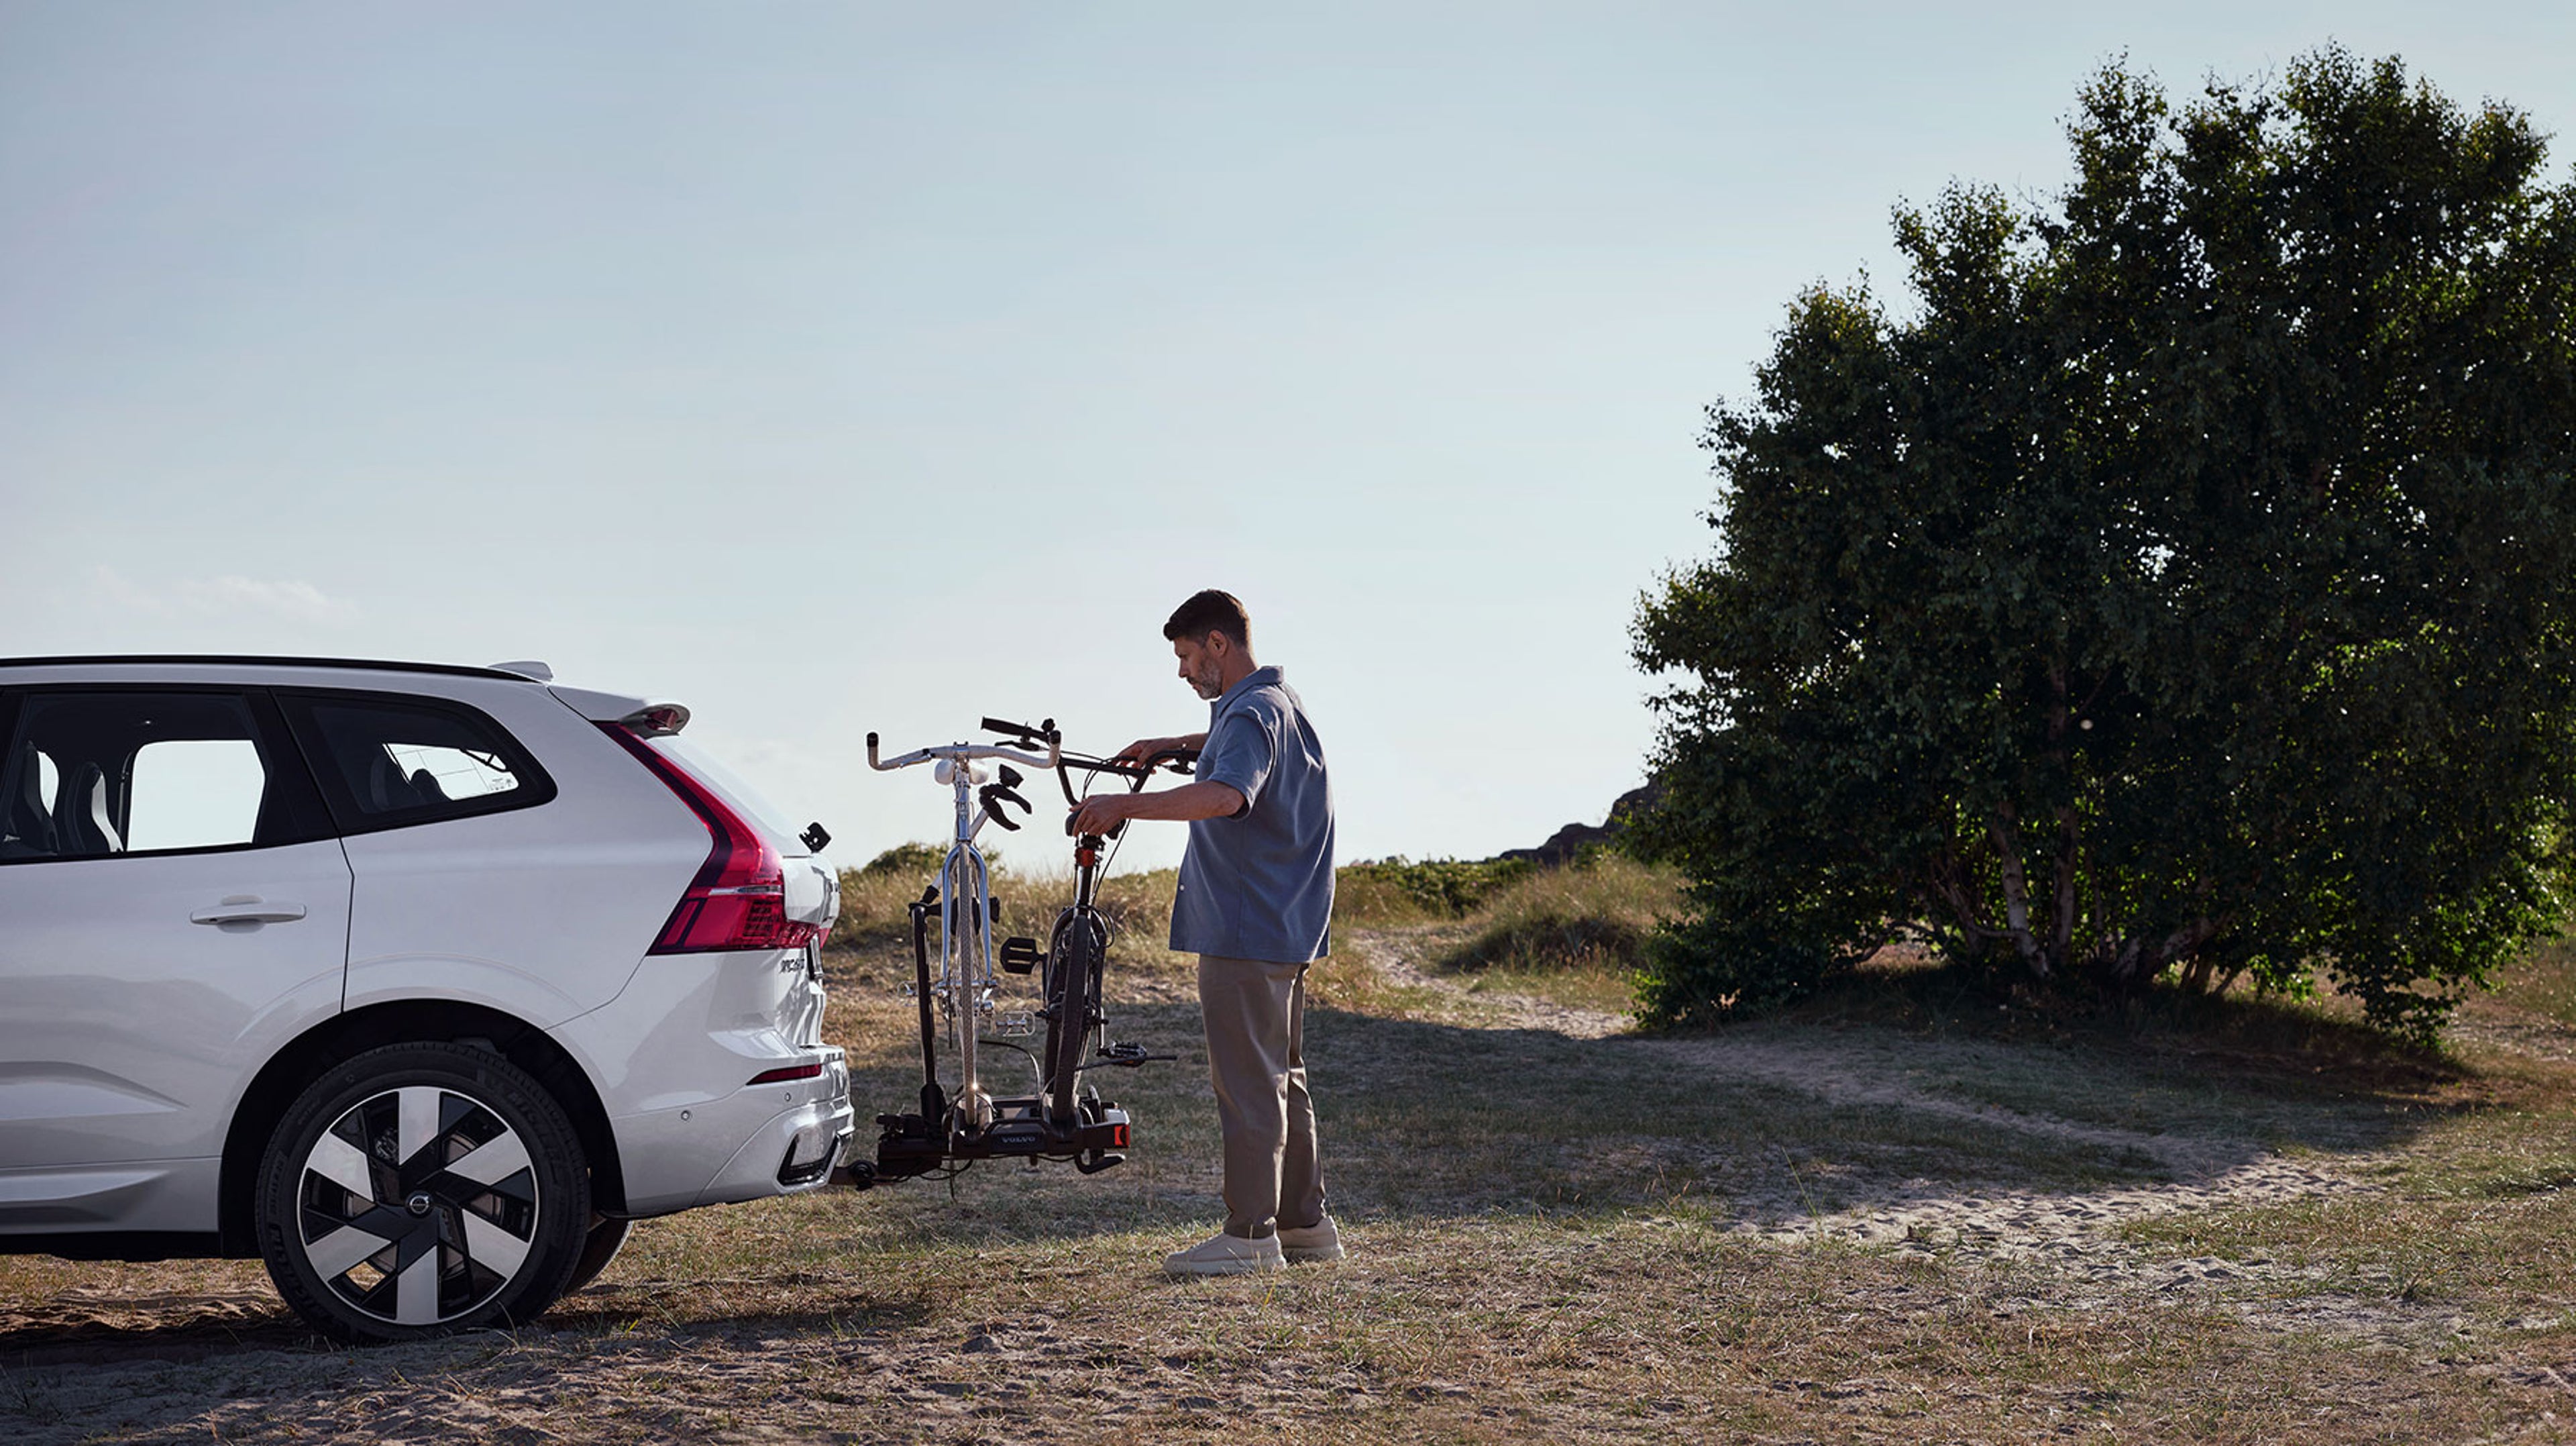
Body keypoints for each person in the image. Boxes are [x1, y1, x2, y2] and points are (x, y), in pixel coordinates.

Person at [1068, 589, 1340, 1276]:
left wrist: (1121, 804)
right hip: (1288, 924)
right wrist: (1172, 744)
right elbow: (1236, 749)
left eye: (1188, 656)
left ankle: (1250, 1236)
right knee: (1285, 1077)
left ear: (1218, 643)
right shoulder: (1278, 703)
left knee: (1248, 1082)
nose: (1183, 671)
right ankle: (1305, 1225)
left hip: (1245, 928)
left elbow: (1228, 795)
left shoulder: (1247, 715)